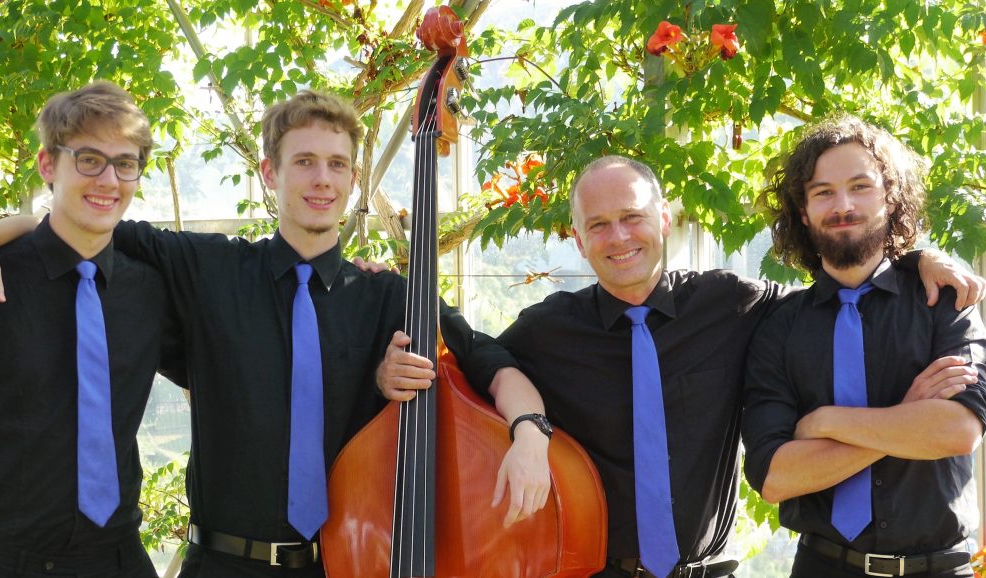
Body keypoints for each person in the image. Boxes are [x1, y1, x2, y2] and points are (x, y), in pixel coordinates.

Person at [0, 89, 549, 578]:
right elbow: (87, 220)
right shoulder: (205, 267)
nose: (322, 180)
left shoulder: (385, 295)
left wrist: (529, 432)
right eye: (304, 162)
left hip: (343, 563)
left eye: (338, 164)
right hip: (219, 563)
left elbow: (486, 357)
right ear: (270, 173)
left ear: (353, 179)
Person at [379, 154, 985, 578]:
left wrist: (914, 258)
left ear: (664, 220)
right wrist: (392, 295)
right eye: (598, 225)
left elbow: (841, 274)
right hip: (595, 571)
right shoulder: (549, 328)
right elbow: (474, 356)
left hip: (709, 573)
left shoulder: (736, 304)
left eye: (634, 216)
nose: (619, 237)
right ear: (577, 238)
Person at [742, 116, 986, 577]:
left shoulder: (944, 300)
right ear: (803, 212)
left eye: (860, 186)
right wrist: (907, 415)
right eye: (823, 192)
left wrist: (827, 422)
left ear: (890, 197)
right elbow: (775, 477)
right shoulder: (778, 328)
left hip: (939, 568)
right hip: (823, 566)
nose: (843, 205)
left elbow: (957, 431)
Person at [0, 81, 182, 577]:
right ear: (47, 165)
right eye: (88, 159)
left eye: (125, 163)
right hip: (0, 562)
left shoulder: (152, 291)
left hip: (120, 558)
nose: (108, 179)